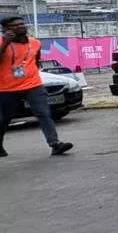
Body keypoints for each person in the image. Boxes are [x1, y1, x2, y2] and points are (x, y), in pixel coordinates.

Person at [0, 14, 74, 158]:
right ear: (6, 29)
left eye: (22, 24)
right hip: (6, 88)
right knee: (4, 119)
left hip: (33, 85)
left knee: (44, 113)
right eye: (15, 25)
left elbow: (36, 59)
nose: (21, 26)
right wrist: (5, 43)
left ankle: (55, 144)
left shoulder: (35, 42)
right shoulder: (2, 42)